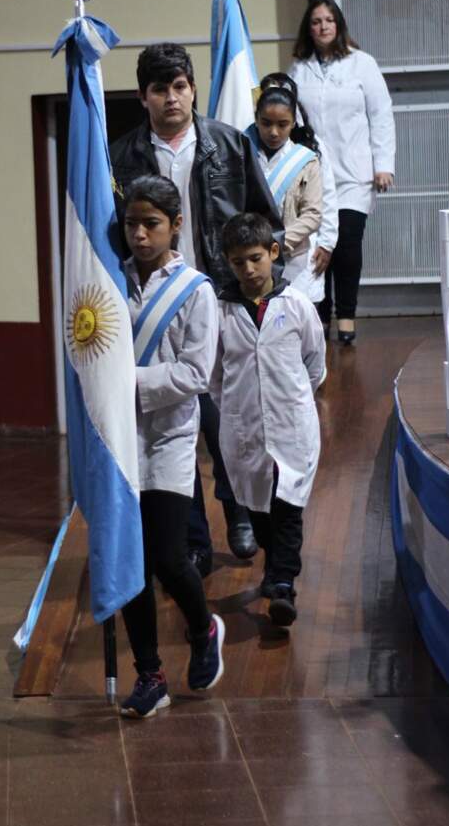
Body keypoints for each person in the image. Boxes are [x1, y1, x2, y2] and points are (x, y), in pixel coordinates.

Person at [110, 43, 284, 575]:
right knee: (174, 427)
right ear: (144, 97)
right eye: (159, 89)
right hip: (157, 305)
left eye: (180, 87)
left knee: (225, 423)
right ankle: (192, 538)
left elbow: (265, 221)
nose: (171, 98)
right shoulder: (120, 156)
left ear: (193, 89)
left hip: (219, 298)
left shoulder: (229, 146)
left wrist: (256, 288)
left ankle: (239, 515)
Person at [119, 176, 224, 718]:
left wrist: (126, 382)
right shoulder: (110, 282)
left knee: (167, 557)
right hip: (118, 438)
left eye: (151, 224)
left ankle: (203, 627)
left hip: (169, 437)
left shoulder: (195, 290)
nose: (139, 234)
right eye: (132, 223)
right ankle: (150, 674)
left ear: (175, 225)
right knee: (127, 564)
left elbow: (195, 372)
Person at [211, 213, 325, 627]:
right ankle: (273, 568)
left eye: (256, 258)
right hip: (245, 429)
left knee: (288, 505)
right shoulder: (221, 311)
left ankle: (282, 585)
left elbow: (315, 362)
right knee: (259, 509)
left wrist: (291, 401)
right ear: (227, 261)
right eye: (238, 261)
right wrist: (241, 408)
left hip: (291, 425)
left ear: (274, 253)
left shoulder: (296, 305)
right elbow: (215, 376)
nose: (248, 269)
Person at [288, 0, 395, 343]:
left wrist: (384, 166)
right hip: (314, 173)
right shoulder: (300, 69)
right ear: (309, 28)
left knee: (347, 245)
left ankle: (346, 315)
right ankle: (320, 315)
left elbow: (381, 115)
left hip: (354, 173)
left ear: (339, 24)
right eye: (316, 21)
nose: (323, 26)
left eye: (329, 20)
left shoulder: (362, 64)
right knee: (318, 246)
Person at [247, 76, 326, 300]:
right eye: (266, 123)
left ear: (293, 122)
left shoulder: (306, 160)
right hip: (250, 259)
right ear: (256, 119)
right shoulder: (241, 154)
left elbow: (313, 214)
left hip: (292, 260)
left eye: (282, 125)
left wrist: (276, 244)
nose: (273, 132)